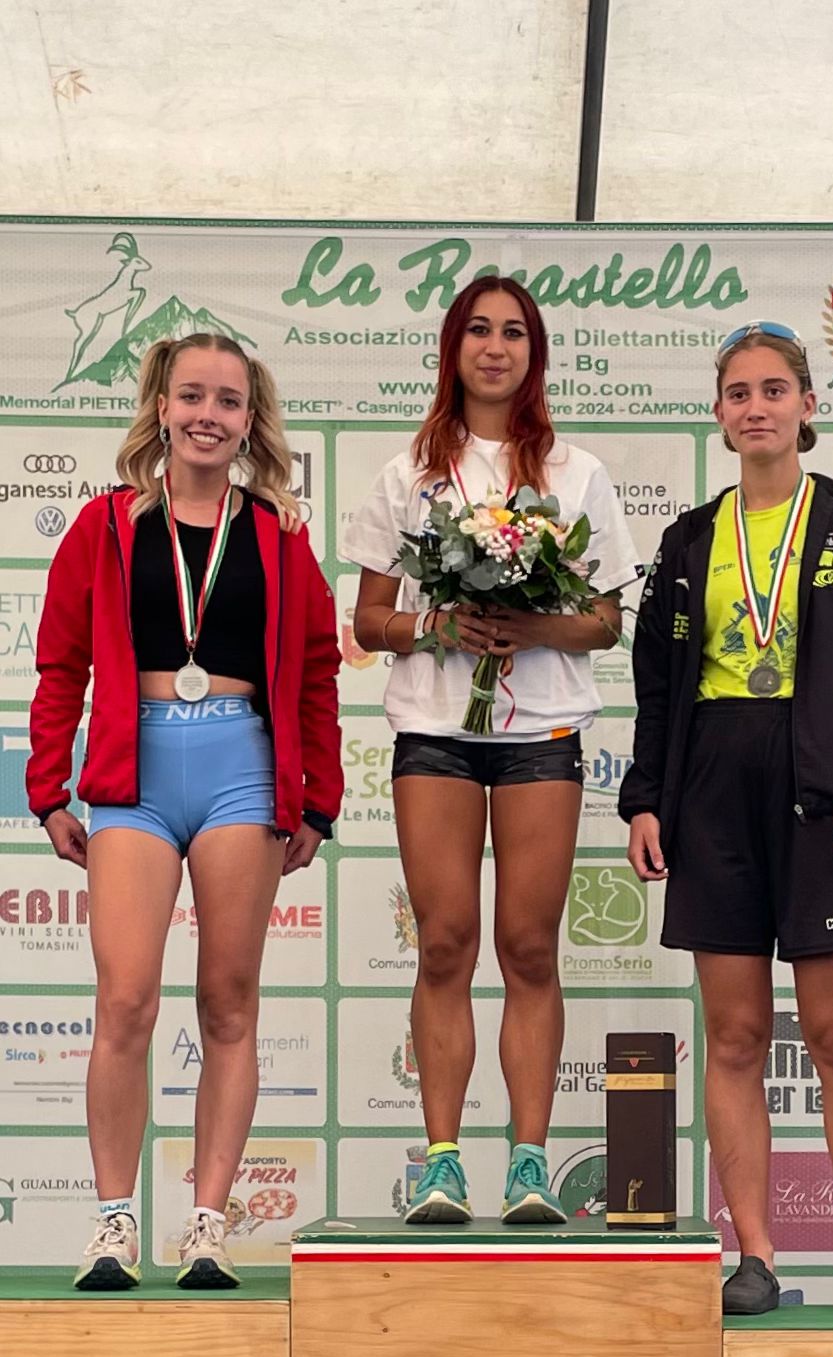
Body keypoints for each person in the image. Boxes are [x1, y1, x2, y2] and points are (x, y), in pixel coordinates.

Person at [27, 333, 342, 1291]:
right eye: (192, 395)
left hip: (240, 766)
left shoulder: (279, 533)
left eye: (228, 401)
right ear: (161, 407)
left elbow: (317, 672)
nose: (209, 415)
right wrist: (48, 788)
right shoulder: (106, 524)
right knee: (124, 1000)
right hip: (137, 771)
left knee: (229, 1002)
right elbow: (61, 663)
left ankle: (209, 1222)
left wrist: (319, 800)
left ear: (250, 421)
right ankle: (113, 1222)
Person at [619, 321, 833, 1314]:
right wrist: (645, 798)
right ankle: (754, 1254)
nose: (756, 407)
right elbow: (657, 685)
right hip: (711, 788)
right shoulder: (688, 538)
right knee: (735, 1034)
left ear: (806, 406)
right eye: (738, 392)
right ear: (718, 413)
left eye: (774, 390)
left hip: (820, 789)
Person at [347, 276, 639, 1225]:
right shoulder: (407, 474)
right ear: (452, 348)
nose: (495, 347)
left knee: (527, 947)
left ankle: (527, 1162)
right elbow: (368, 620)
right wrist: (436, 625)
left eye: (514, 332)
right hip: (435, 731)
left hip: (540, 733)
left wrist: (531, 624)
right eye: (478, 329)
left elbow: (604, 621)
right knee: (443, 943)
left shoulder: (575, 472)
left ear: (534, 354)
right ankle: (440, 1163)